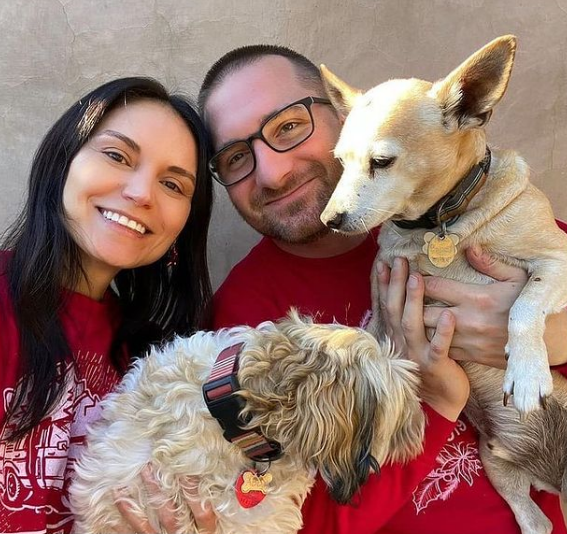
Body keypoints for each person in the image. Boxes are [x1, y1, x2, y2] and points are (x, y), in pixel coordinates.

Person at [198, 45, 567, 533]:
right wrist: (437, 398)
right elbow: (297, 520)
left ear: (344, 116)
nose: (273, 171)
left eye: (288, 127)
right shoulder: (240, 321)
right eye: (236, 156)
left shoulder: (485, 208)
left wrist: (549, 332)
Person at [0, 77, 213, 534]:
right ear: (63, 162)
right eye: (117, 156)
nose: (141, 193)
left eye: (173, 184)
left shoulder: (157, 363)